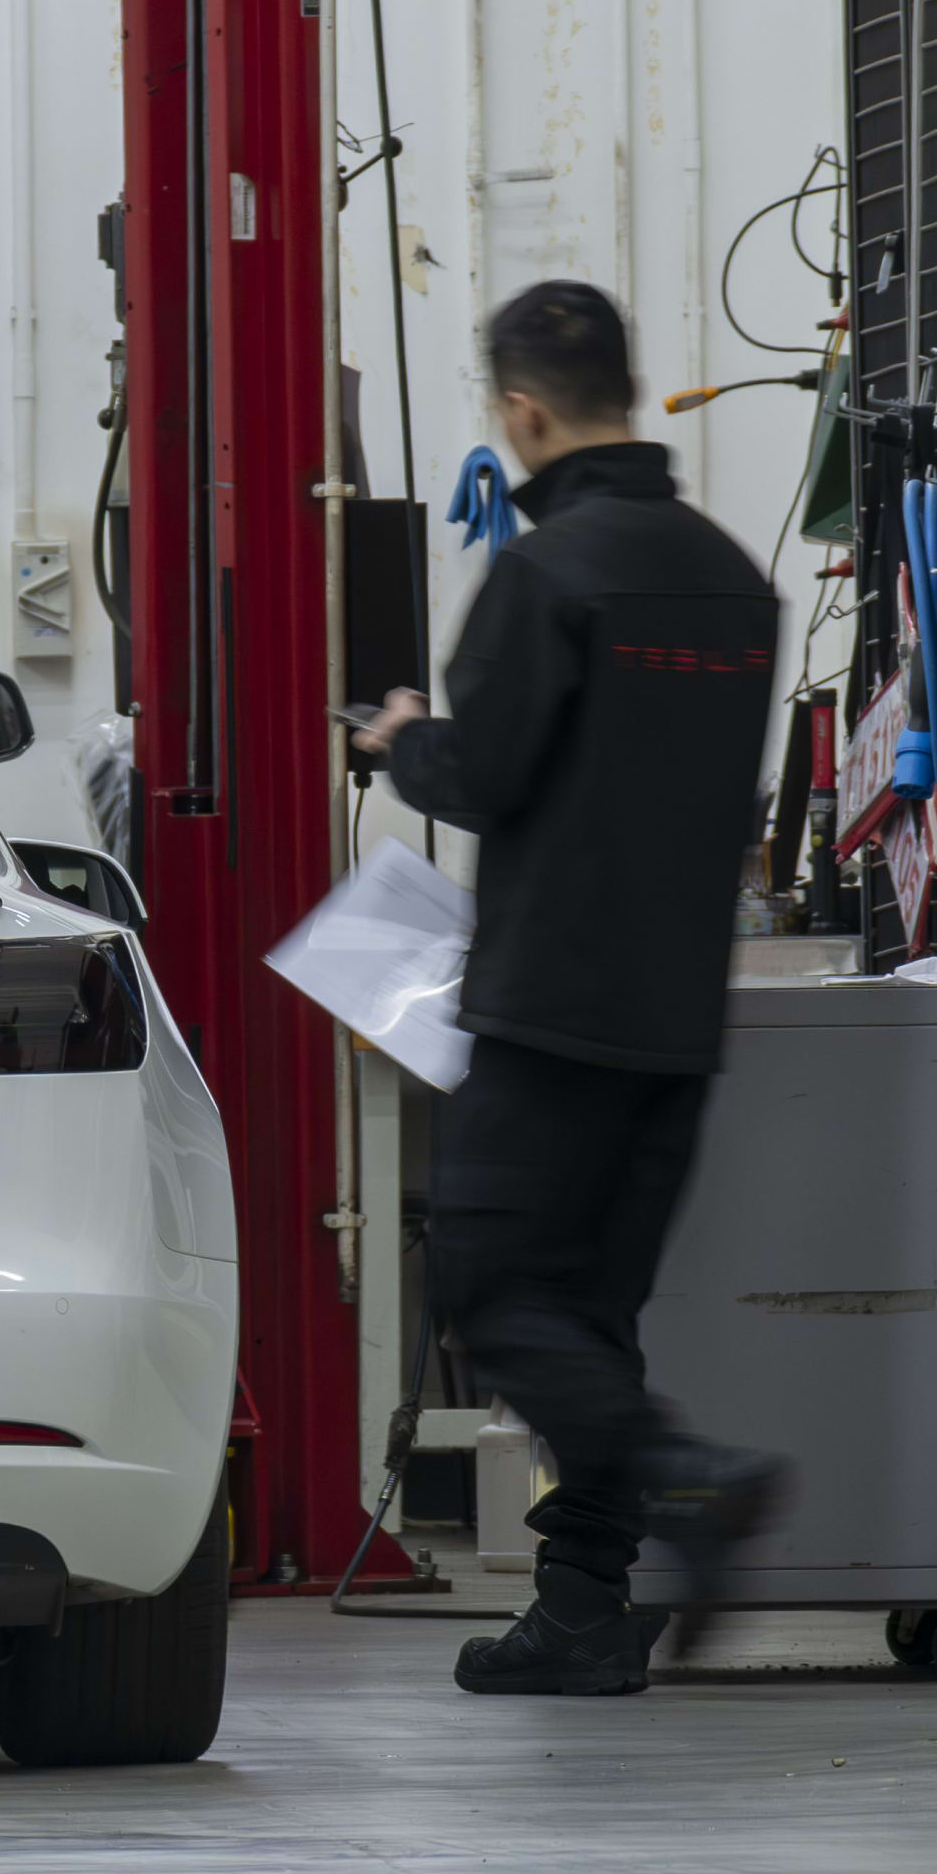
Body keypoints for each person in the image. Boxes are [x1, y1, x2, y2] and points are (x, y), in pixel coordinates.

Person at [354, 279, 794, 1697]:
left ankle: (687, 1478)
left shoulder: (549, 574)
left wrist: (404, 741)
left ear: (523, 412)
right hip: (677, 1018)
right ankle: (583, 1610)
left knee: (491, 1285)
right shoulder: (733, 579)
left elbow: (486, 777)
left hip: (548, 1007)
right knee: (594, 1308)